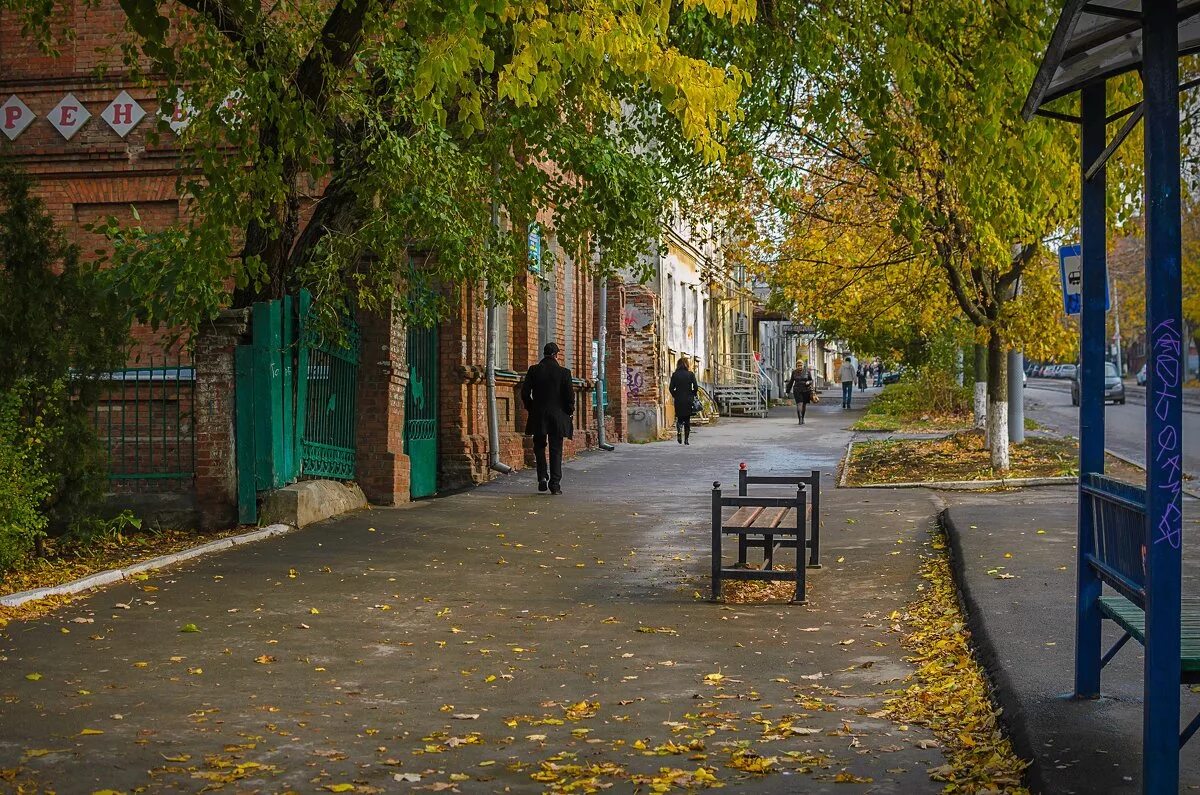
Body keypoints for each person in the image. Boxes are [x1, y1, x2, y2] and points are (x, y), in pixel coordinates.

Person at [522, 341, 575, 494]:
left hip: (538, 415)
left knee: (539, 446)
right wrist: (568, 411)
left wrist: (531, 408)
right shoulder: (564, 373)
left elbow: (525, 393)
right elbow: (569, 397)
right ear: (556, 355)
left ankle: (542, 477)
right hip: (558, 416)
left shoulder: (534, 370)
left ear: (544, 354)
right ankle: (555, 484)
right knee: (556, 449)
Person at [669, 357, 699, 445]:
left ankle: (679, 431)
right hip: (688, 399)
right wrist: (693, 393)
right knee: (687, 419)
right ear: (687, 364)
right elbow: (696, 387)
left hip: (678, 399)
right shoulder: (690, 374)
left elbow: (671, 388)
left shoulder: (675, 374)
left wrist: (675, 395)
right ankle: (686, 440)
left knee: (679, 418)